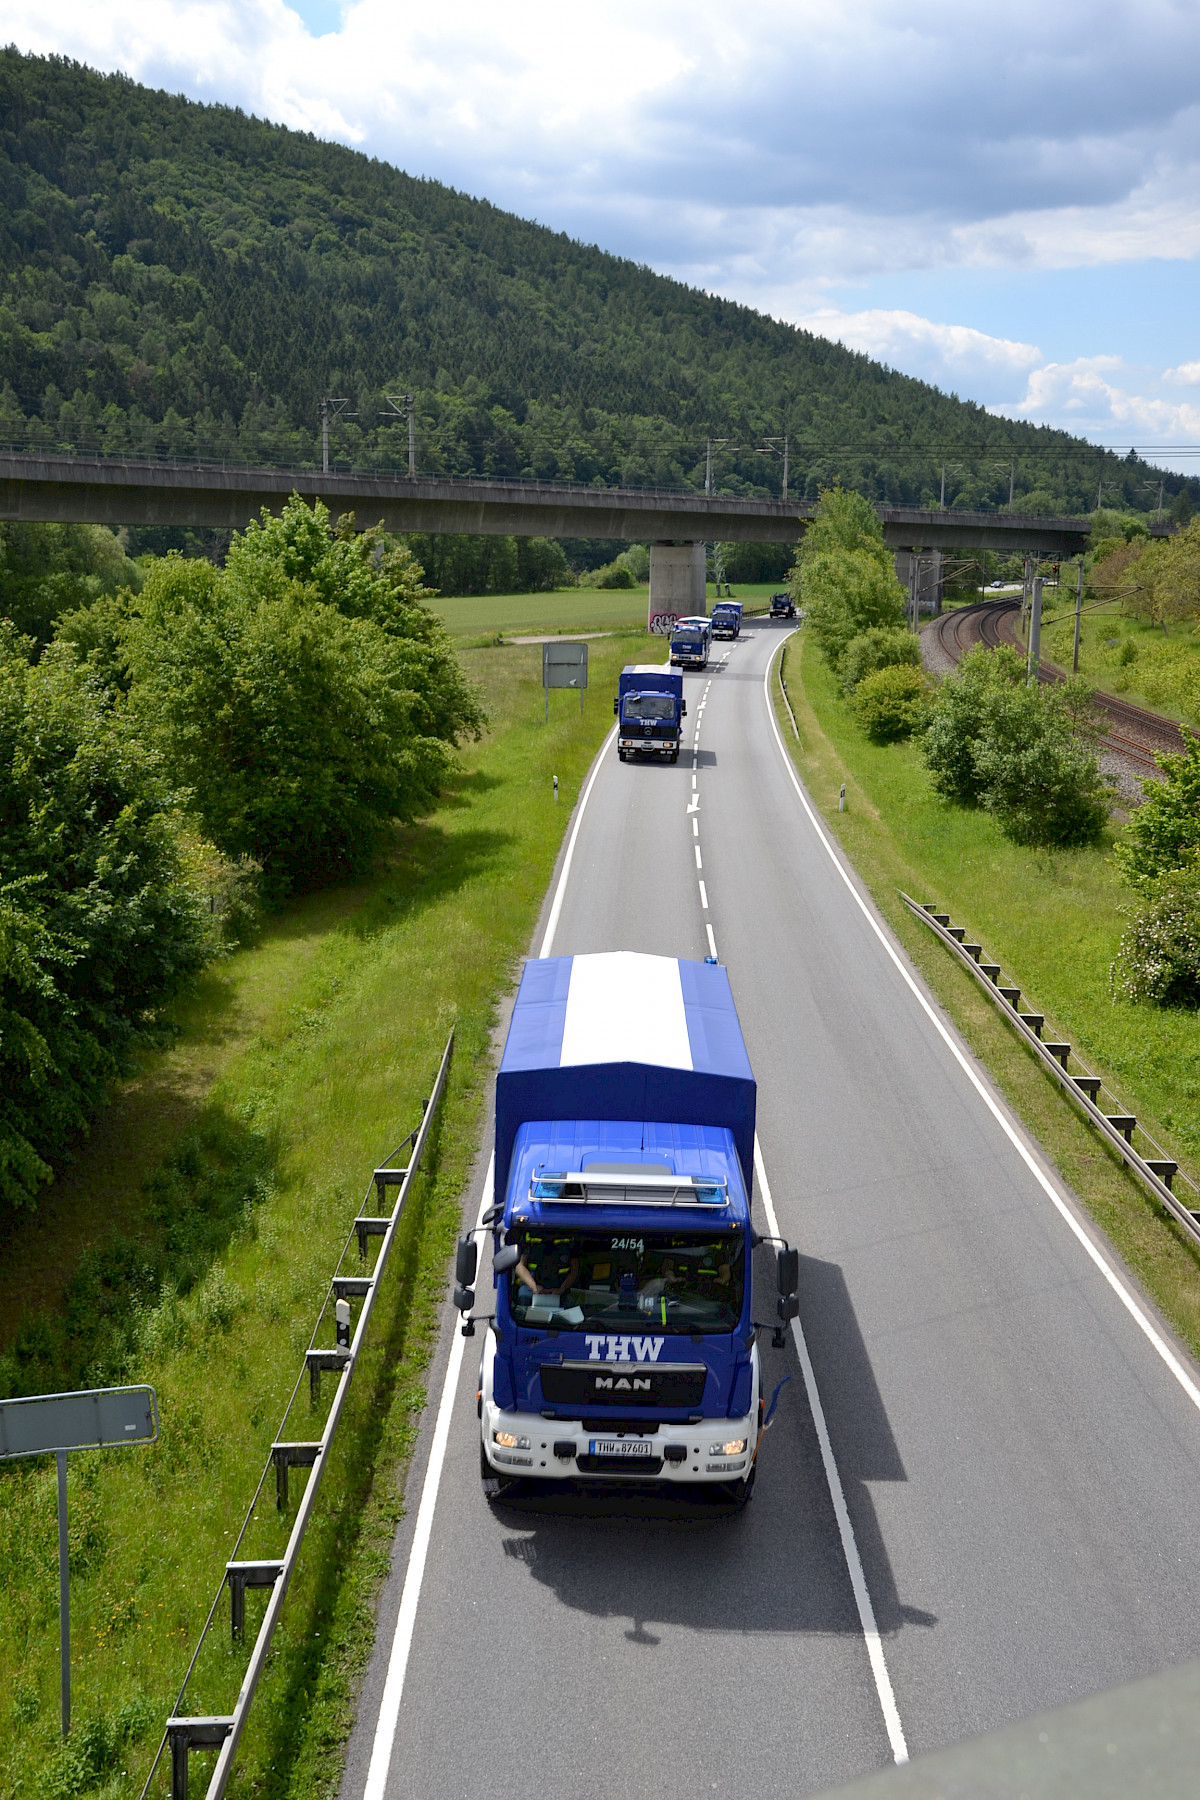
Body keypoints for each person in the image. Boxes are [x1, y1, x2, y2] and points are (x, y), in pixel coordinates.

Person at [514, 1237, 579, 1298]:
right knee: (523, 1295)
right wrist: (534, 1287)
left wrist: (561, 1289)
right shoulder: (530, 1234)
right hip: (530, 1289)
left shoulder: (569, 1238)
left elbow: (574, 1271)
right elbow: (519, 1267)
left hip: (559, 1291)